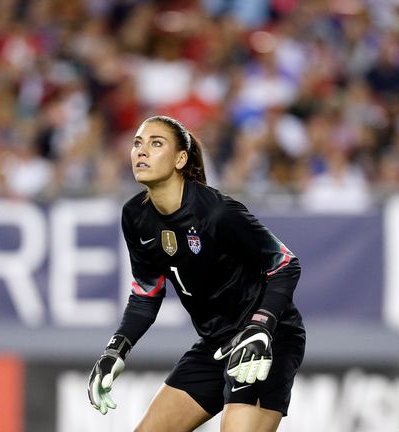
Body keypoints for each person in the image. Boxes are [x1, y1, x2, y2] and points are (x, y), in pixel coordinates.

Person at [87, 115, 306, 431]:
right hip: (215, 343)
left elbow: (285, 265)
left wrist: (262, 327)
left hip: (266, 338)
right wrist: (114, 351)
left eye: (155, 143)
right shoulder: (135, 216)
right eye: (137, 143)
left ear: (180, 159)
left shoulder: (217, 212)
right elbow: (146, 295)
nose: (141, 151)